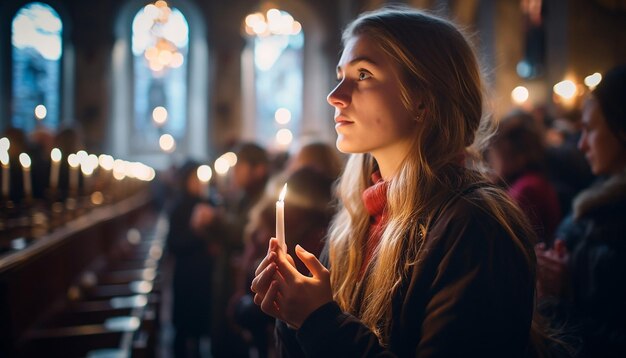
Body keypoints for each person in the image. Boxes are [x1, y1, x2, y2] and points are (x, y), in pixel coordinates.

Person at [251, 7, 544, 357]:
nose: (335, 95)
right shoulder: (358, 219)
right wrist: (294, 314)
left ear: (423, 97)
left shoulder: (474, 225)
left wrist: (318, 320)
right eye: (340, 74)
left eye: (363, 74)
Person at [536, 64, 626, 357]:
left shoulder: (611, 216)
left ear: (621, 129)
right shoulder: (599, 202)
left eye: (589, 129)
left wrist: (561, 299)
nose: (583, 144)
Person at [166, 161, 217, 358]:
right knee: (184, 326)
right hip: (187, 274)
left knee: (203, 325)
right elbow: (173, 244)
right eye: (195, 178)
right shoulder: (178, 207)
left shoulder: (209, 203)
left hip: (205, 274)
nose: (199, 182)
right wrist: (198, 235)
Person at [486, 110, 562, 244]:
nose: (492, 159)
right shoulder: (534, 181)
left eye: (494, 150)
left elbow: (505, 244)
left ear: (508, 151)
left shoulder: (526, 189)